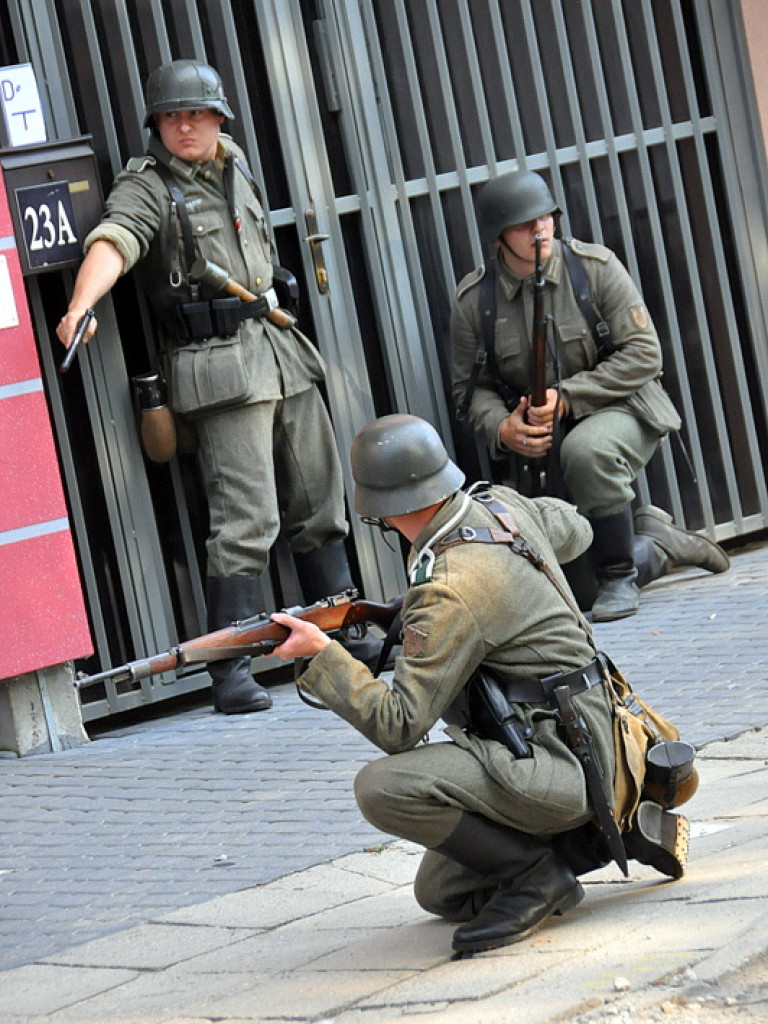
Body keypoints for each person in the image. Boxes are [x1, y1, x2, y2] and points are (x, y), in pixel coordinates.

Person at [270, 413, 689, 956]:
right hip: (603, 737)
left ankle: (538, 875)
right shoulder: (501, 505)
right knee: (441, 891)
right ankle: (598, 839)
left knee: (381, 786)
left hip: (558, 762)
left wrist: (323, 655)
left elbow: (399, 724)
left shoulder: (450, 587)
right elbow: (576, 527)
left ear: (378, 508)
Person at [57, 59, 375, 715]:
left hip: (283, 352)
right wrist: (80, 304)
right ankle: (228, 669)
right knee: (245, 519)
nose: (185, 125)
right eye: (172, 115)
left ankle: (341, 634)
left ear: (219, 118)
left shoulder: (235, 161)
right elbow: (114, 240)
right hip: (222, 371)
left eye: (197, 113)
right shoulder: (148, 186)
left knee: (321, 503)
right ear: (156, 124)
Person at [450, 170, 729, 622]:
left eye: (545, 218)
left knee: (587, 450)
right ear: (498, 236)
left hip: (622, 406)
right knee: (575, 594)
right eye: (524, 224)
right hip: (542, 434)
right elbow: (469, 390)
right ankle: (657, 545)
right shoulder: (474, 301)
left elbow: (644, 354)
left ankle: (620, 574)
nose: (539, 229)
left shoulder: (594, 269)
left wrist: (568, 397)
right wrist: (503, 428)